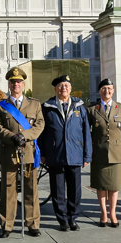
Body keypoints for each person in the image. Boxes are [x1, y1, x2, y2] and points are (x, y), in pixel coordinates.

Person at [0, 67, 43, 238]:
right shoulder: (1, 106)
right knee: (8, 190)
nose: (16, 84)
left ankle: (33, 223)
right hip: (9, 152)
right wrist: (12, 137)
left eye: (19, 82)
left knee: (31, 189)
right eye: (13, 82)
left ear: (23, 84)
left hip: (28, 152)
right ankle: (7, 225)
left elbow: (39, 125)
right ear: (9, 84)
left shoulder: (34, 104)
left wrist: (24, 135)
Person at [39, 75, 91, 231]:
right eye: (60, 86)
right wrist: (42, 153)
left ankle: (73, 218)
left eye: (66, 85)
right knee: (58, 190)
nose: (64, 88)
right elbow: (42, 133)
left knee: (75, 190)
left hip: (75, 154)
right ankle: (62, 219)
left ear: (71, 88)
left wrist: (87, 154)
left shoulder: (79, 106)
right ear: (55, 89)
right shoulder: (47, 107)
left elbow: (86, 132)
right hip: (55, 154)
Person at [89, 79, 121, 227]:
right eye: (104, 88)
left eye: (110, 88)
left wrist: (114, 140)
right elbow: (88, 131)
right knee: (100, 185)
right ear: (99, 91)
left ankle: (113, 213)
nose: (107, 91)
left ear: (113, 90)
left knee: (114, 185)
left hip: (116, 152)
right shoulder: (93, 109)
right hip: (99, 151)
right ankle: (103, 213)